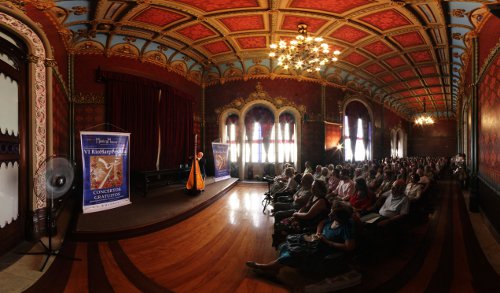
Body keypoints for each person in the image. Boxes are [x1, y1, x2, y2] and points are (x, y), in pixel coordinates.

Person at [246, 206, 356, 275]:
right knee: (288, 245)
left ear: (340, 217)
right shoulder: (332, 219)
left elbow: (349, 247)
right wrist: (319, 232)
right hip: (318, 240)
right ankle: (277, 266)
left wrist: (327, 242)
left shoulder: (346, 228)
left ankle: (268, 267)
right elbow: (322, 223)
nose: (329, 214)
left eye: (333, 213)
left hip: (325, 248)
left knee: (295, 252)